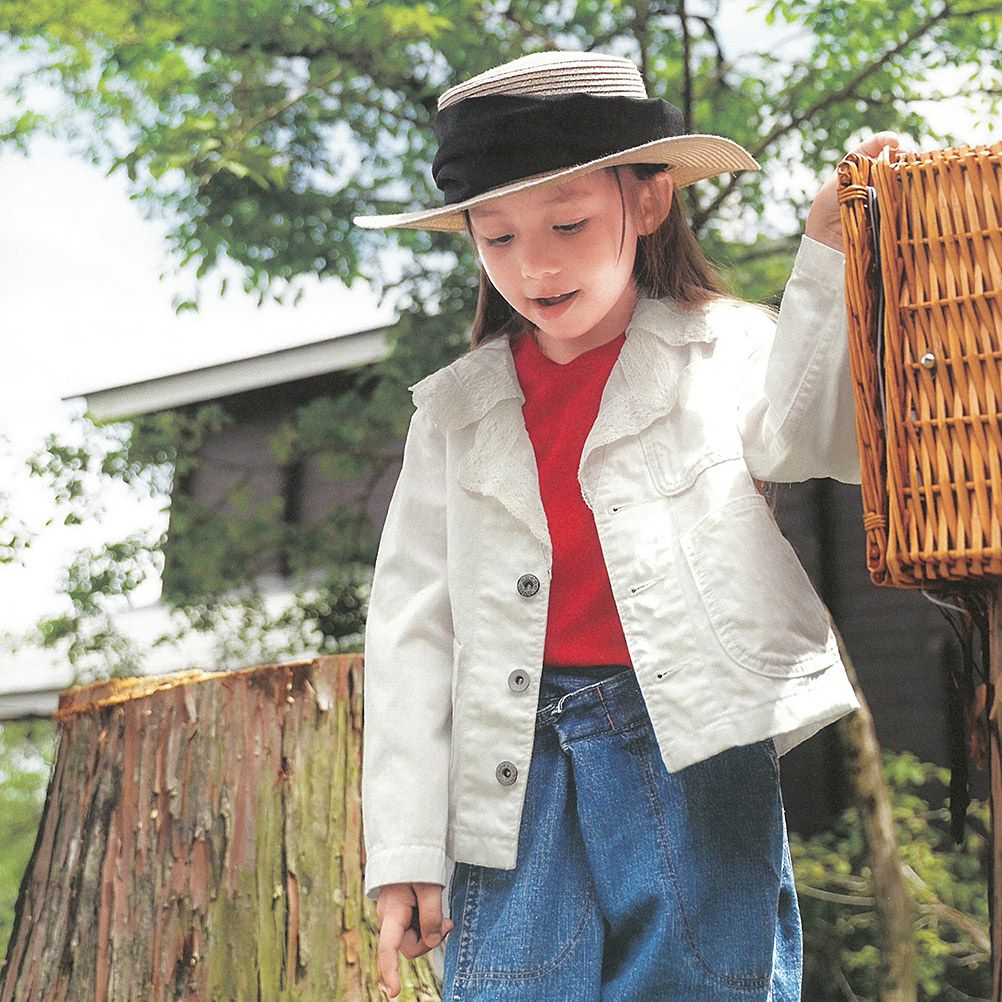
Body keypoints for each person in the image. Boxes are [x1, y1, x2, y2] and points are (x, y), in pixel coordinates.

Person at [352, 49, 900, 1002]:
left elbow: (816, 437)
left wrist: (830, 252)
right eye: (498, 237)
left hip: (691, 739)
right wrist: (404, 850)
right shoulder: (454, 412)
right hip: (507, 755)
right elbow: (411, 628)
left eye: (567, 223)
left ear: (647, 202)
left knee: (707, 981)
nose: (535, 264)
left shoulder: (724, 346)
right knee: (510, 984)